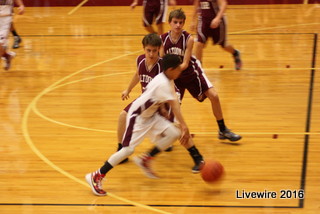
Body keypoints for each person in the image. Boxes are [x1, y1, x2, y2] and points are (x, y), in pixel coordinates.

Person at [86, 54, 191, 196]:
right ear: (171, 69)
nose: (180, 71)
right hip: (138, 117)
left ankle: (145, 159)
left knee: (173, 133)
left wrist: (161, 108)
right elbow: (175, 106)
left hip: (151, 116)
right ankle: (96, 176)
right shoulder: (163, 84)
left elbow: (152, 96)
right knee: (127, 150)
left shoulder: (164, 78)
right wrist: (185, 126)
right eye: (179, 69)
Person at [117, 33, 204, 173]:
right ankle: (121, 151)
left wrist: (165, 108)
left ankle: (197, 157)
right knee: (123, 115)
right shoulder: (140, 60)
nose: (151, 54)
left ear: (159, 49)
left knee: (179, 128)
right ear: (144, 49)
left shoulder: (162, 66)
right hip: (146, 101)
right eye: (148, 50)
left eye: (154, 51)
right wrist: (128, 89)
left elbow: (169, 90)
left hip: (165, 101)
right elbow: (138, 74)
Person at [160, 9, 241, 141]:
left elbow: (185, 63)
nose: (178, 25)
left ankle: (223, 130)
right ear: (169, 23)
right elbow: (162, 61)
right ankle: (167, 134)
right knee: (172, 104)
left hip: (191, 72)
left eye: (181, 22)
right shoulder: (162, 40)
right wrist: (167, 78)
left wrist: (171, 72)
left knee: (214, 96)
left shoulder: (188, 39)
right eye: (175, 22)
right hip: (174, 76)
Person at [190, 0, 242, 70]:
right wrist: (193, 20)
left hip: (217, 21)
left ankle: (235, 53)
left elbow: (224, 4)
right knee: (199, 43)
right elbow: (196, 4)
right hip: (203, 21)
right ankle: (199, 68)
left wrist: (217, 18)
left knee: (224, 45)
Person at [0, 0, 24, 70]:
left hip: (6, 19)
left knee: (0, 43)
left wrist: (21, 5)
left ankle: (6, 56)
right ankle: (7, 56)